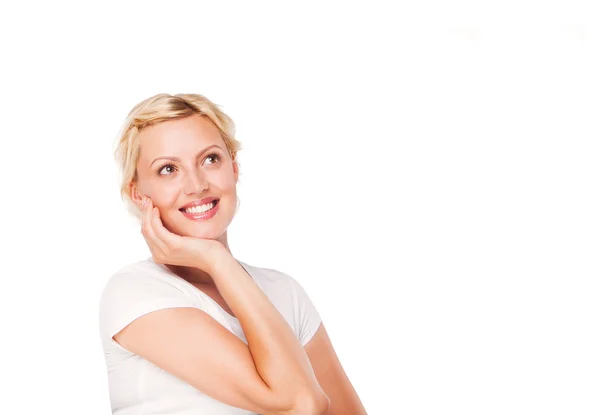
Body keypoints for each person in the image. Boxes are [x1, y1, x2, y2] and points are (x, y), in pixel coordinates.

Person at [98, 93, 367, 415]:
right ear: (137, 193)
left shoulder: (284, 291)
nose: (196, 185)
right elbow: (300, 403)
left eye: (210, 159)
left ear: (234, 167)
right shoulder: (135, 292)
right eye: (168, 169)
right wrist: (217, 260)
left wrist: (222, 265)